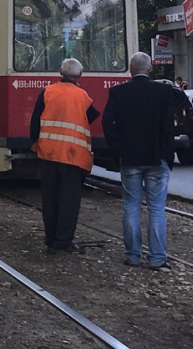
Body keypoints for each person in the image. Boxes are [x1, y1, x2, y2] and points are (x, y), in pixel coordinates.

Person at [102, 52, 175, 270]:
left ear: (131, 69)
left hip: (130, 158)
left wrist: (117, 149)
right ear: (150, 68)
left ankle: (133, 256)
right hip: (157, 159)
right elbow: (168, 127)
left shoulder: (118, 92)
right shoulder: (163, 91)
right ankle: (157, 258)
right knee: (156, 208)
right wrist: (167, 154)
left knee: (131, 207)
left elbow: (107, 122)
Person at [29, 58, 99, 255]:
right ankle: (63, 241)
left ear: (60, 71)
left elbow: (35, 121)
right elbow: (92, 116)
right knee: (68, 200)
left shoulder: (47, 92)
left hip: (48, 153)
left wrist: (34, 142)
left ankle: (50, 239)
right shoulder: (83, 96)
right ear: (80, 75)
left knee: (49, 199)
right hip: (73, 156)